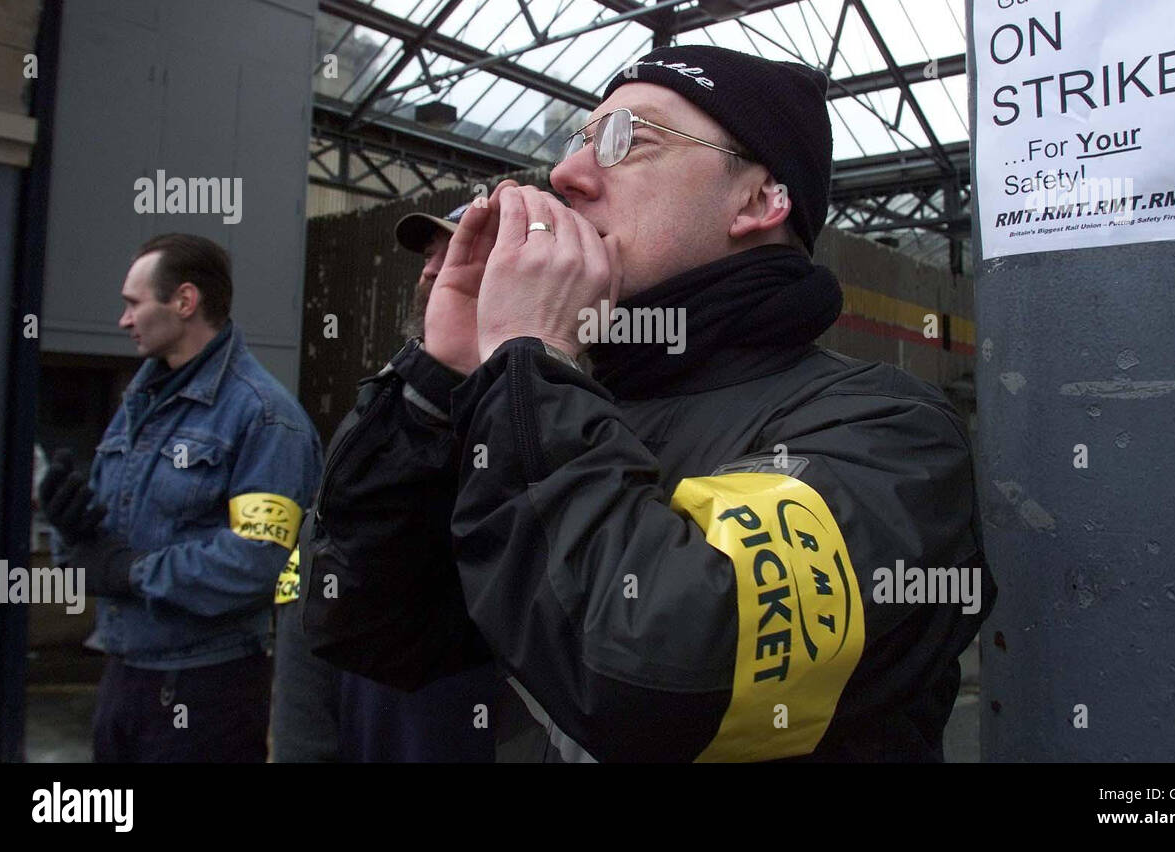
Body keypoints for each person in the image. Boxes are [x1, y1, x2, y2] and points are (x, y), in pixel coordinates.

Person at [318, 45, 995, 761]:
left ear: (759, 200)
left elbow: (654, 673)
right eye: (580, 141)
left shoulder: (887, 430)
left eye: (626, 140)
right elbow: (369, 626)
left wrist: (533, 358)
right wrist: (438, 382)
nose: (566, 175)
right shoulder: (564, 406)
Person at [39, 233, 322, 762]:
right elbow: (107, 542)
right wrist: (73, 532)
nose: (124, 320)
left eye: (133, 302)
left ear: (185, 301)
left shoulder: (265, 418)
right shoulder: (140, 404)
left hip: (204, 691)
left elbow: (258, 562)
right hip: (124, 672)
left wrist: (131, 571)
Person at [272, 203, 497, 762]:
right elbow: (311, 585)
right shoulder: (384, 417)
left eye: (458, 254)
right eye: (428, 257)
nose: (429, 271)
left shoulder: (550, 425)